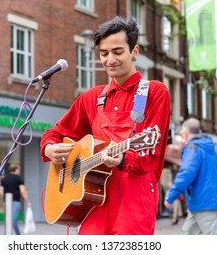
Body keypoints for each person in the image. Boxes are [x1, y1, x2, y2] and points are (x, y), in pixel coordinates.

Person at [40, 16, 171, 235]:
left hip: (134, 200)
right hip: (93, 203)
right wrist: (49, 148)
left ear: (134, 51)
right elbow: (55, 133)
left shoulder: (154, 92)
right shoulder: (91, 98)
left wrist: (123, 158)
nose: (110, 60)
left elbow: (151, 154)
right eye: (104, 53)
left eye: (118, 52)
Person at [164, 118, 217, 235]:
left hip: (202, 200)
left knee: (214, 235)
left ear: (186, 133)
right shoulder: (208, 147)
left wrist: (171, 196)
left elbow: (186, 173)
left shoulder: (193, 148)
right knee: (187, 234)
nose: (182, 137)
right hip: (204, 200)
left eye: (181, 134)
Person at [0, 164, 31, 235]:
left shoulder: (4, 179)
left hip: (7, 202)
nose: (19, 171)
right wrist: (28, 201)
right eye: (19, 169)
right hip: (15, 201)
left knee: (9, 220)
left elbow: (1, 192)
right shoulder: (19, 178)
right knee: (13, 221)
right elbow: (23, 191)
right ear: (16, 169)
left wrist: (3, 201)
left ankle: (7, 234)